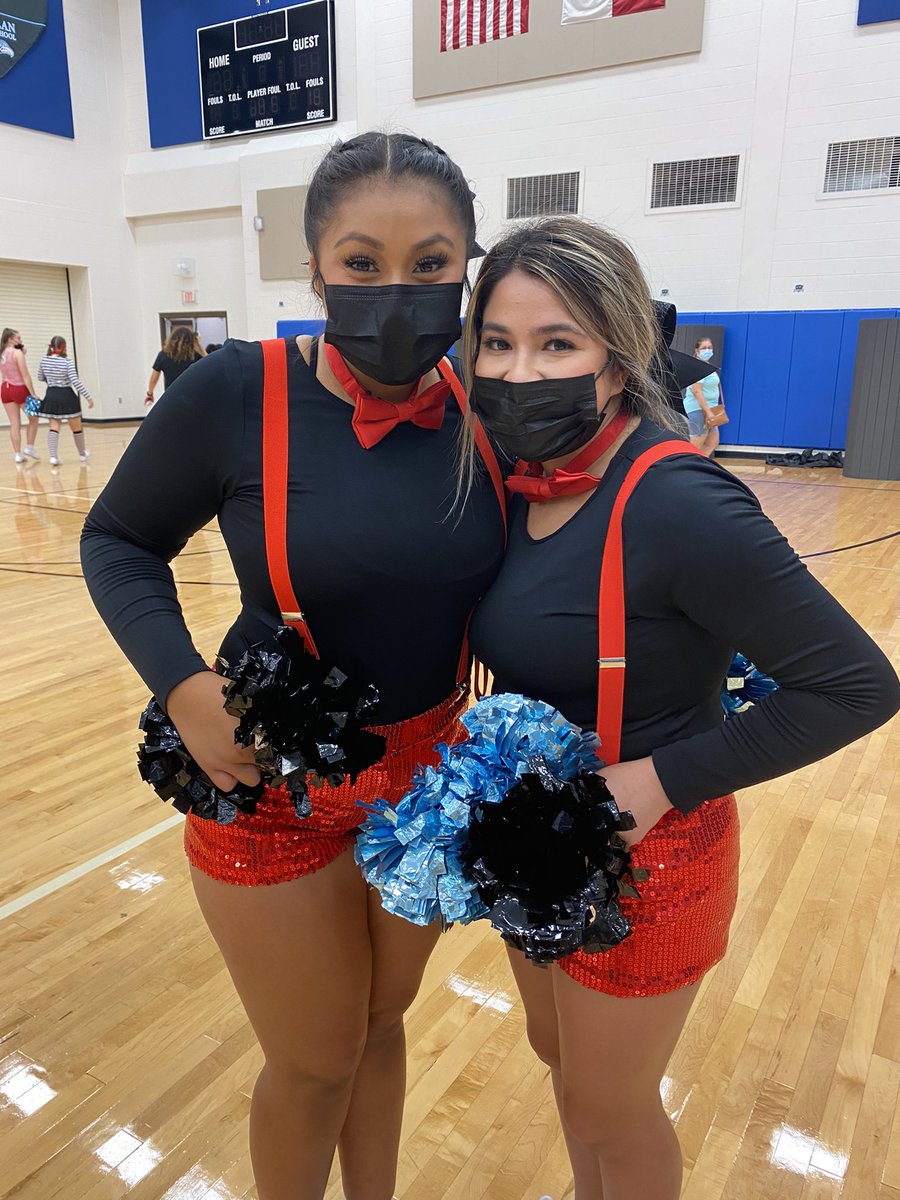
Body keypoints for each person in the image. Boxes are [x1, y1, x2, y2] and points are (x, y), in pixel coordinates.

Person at [81, 131, 506, 1200]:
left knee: (380, 1024)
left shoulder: (490, 405)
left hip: (430, 776)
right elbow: (118, 539)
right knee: (314, 1058)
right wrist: (182, 684)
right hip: (272, 776)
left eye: (429, 262)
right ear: (314, 267)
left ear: (466, 266)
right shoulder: (237, 390)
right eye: (362, 262)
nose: (396, 289)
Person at [461, 216, 900, 1200]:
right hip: (536, 839)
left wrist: (661, 780)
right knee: (563, 1067)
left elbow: (858, 685)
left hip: (649, 859)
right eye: (498, 342)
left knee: (612, 1112)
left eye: (557, 343)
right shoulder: (520, 484)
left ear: (619, 357)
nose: (521, 373)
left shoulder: (678, 501)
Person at [37, 336, 93, 466]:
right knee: (76, 427)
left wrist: (51, 381)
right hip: (67, 395)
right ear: (64, 347)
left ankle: (53, 457)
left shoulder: (44, 360)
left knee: (54, 427)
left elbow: (40, 377)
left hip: (51, 394)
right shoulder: (67, 362)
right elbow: (75, 381)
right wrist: (88, 397)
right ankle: (82, 453)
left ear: (50, 346)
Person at [1, 327, 40, 462]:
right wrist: (33, 393)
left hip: (5, 389)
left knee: (14, 423)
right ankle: (29, 447)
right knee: (34, 418)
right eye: (18, 338)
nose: (20, 340)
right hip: (19, 388)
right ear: (10, 339)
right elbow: (25, 375)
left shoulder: (2, 352)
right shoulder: (17, 353)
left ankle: (18, 454)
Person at [683, 336, 722, 457]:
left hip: (710, 409)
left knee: (712, 441)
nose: (707, 350)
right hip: (699, 410)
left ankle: (700, 464)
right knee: (697, 442)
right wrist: (708, 412)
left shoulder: (708, 367)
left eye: (710, 347)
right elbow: (697, 391)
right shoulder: (697, 367)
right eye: (704, 348)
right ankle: (687, 464)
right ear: (697, 350)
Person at [144, 327, 205, 404]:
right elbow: (212, 363)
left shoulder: (163, 355)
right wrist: (199, 345)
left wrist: (150, 394)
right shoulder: (194, 356)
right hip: (191, 397)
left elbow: (154, 378)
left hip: (171, 397)